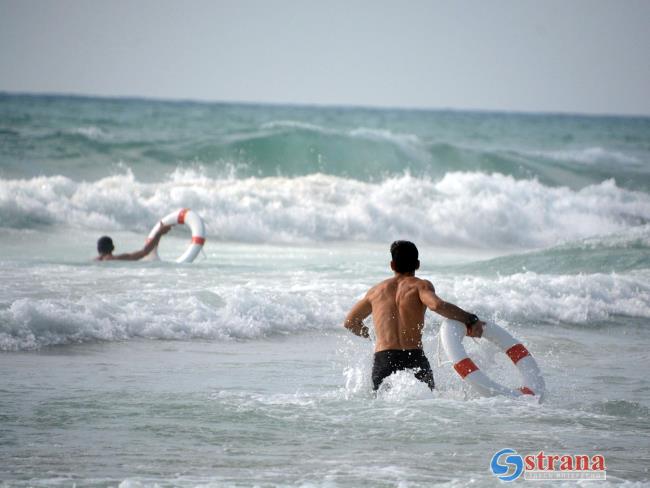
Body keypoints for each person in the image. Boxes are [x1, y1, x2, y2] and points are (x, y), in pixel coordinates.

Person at [343, 240, 485, 392]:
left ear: (392, 265)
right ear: (417, 264)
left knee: (382, 411)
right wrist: (471, 319)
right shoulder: (420, 286)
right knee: (425, 406)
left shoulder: (375, 291)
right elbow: (437, 305)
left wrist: (374, 337)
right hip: (413, 356)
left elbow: (350, 322)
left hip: (383, 358)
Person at [95, 223, 172, 261]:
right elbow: (144, 252)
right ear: (112, 247)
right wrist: (159, 233)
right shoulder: (114, 259)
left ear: (98, 249)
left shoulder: (95, 261)